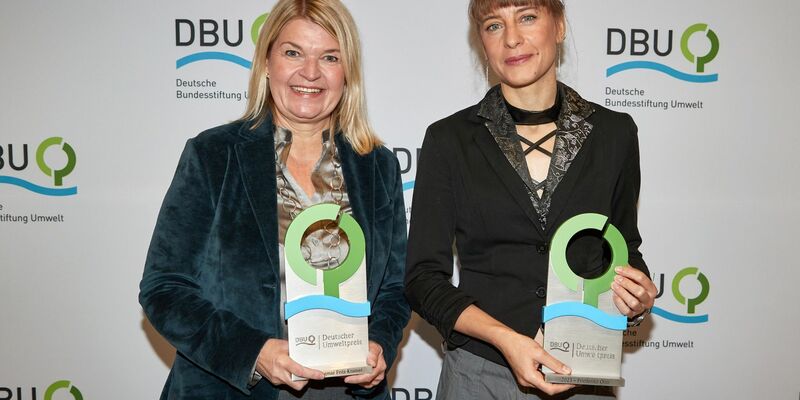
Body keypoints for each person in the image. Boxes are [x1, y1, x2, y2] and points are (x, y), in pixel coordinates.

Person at [139, 0, 409, 398]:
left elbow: (394, 288)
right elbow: (164, 288)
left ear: (347, 71)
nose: (311, 72)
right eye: (293, 52)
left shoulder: (377, 166)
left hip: (345, 390)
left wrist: (380, 344)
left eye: (329, 57)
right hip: (235, 386)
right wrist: (254, 352)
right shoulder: (215, 154)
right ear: (267, 62)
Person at [404, 0, 658, 399]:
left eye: (527, 17)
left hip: (583, 371)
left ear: (558, 26)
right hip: (480, 373)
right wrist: (506, 338)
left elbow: (623, 248)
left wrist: (637, 295)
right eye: (493, 25)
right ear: (481, 42)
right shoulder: (449, 140)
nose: (511, 38)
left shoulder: (615, 133)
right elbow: (422, 280)